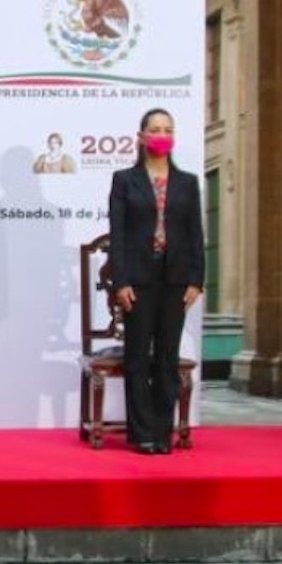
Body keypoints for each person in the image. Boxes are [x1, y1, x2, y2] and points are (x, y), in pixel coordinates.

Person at [106, 108, 204, 455]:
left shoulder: (188, 183)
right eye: (155, 129)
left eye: (168, 129)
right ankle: (142, 432)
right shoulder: (124, 180)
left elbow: (195, 234)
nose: (162, 134)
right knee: (137, 356)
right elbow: (117, 236)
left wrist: (197, 280)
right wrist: (121, 282)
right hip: (138, 280)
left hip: (175, 280)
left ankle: (163, 431)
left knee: (167, 356)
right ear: (142, 137)